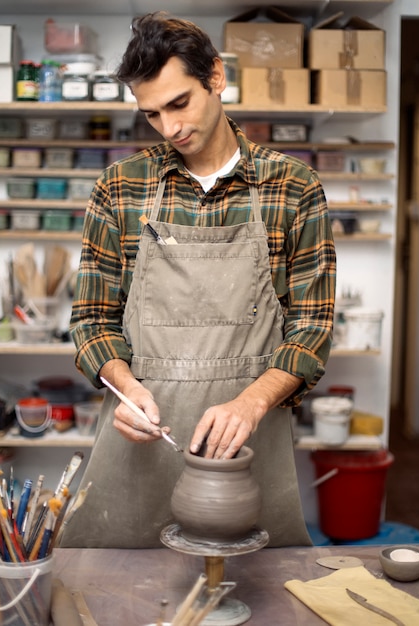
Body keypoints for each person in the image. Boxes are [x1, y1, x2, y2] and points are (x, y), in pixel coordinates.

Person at [60, 12, 336, 549]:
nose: (169, 128)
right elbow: (91, 321)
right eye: (152, 115)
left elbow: (313, 327)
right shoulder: (120, 187)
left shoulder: (293, 187)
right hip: (140, 446)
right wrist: (125, 385)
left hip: (248, 452)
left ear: (215, 77)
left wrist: (251, 404)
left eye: (179, 103)